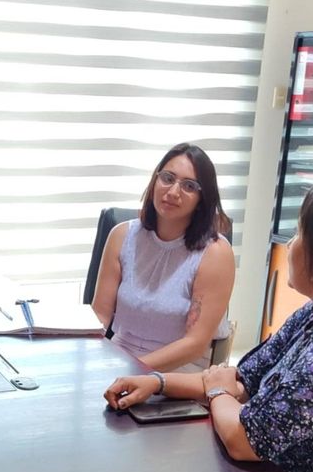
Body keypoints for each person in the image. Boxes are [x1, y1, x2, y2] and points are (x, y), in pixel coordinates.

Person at [104, 176, 313, 472]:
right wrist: (157, 382)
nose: (290, 244)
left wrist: (218, 392)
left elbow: (245, 440)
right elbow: (242, 380)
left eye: (299, 233)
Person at [91, 143, 234, 372]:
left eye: (189, 186)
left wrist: (132, 370)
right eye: (168, 178)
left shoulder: (215, 253)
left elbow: (195, 344)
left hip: (176, 373)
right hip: (117, 361)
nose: (173, 192)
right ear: (155, 180)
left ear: (202, 199)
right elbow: (100, 315)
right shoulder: (122, 235)